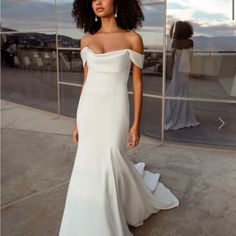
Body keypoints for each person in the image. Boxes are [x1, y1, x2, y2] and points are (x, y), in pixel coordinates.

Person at [59, 1, 179, 235]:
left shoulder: (133, 39)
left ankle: (118, 209)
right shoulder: (86, 41)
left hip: (115, 109)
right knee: (88, 163)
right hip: (89, 111)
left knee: (113, 154)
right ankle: (90, 217)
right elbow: (86, 82)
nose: (99, 2)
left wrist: (136, 124)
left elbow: (137, 83)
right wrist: (77, 121)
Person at [165, 21, 200, 130]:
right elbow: (190, 58)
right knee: (183, 91)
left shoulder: (174, 43)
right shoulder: (190, 42)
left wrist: (169, 71)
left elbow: (172, 59)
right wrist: (191, 71)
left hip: (177, 70)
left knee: (174, 90)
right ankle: (183, 116)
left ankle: (174, 115)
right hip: (185, 69)